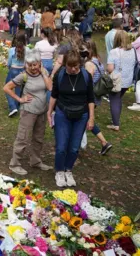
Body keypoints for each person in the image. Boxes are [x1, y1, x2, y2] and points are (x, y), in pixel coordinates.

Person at [47, 50, 95, 187]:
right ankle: (59, 171)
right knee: (61, 146)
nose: (74, 69)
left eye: (76, 66)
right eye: (70, 66)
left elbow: (90, 98)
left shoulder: (86, 76)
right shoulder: (60, 75)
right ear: (65, 65)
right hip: (63, 113)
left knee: (74, 147)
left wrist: (91, 117)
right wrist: (49, 112)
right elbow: (54, 95)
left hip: (81, 115)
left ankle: (68, 169)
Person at [4, 49, 53, 175]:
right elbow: (7, 87)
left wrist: (43, 73)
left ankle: (35, 161)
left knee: (38, 138)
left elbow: (50, 87)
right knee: (23, 138)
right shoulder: (23, 76)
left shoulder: (44, 72)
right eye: (29, 65)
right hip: (28, 112)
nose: (32, 68)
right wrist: (20, 99)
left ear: (39, 63)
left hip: (42, 111)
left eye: (35, 64)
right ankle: (14, 164)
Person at [82, 41, 113, 155]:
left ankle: (104, 142)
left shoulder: (90, 64)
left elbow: (87, 81)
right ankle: (102, 143)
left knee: (86, 118)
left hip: (89, 96)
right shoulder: (98, 61)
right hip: (95, 96)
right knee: (85, 118)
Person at [106, 31, 137, 131]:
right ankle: (116, 120)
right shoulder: (133, 50)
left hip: (117, 80)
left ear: (117, 39)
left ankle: (115, 124)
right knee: (118, 99)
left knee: (114, 100)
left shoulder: (114, 52)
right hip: (128, 80)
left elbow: (110, 68)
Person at [5, 31, 27, 118]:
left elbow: (9, 62)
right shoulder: (27, 50)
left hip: (13, 69)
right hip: (23, 71)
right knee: (19, 89)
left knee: (7, 87)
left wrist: (9, 66)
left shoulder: (12, 50)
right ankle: (17, 105)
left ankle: (12, 106)